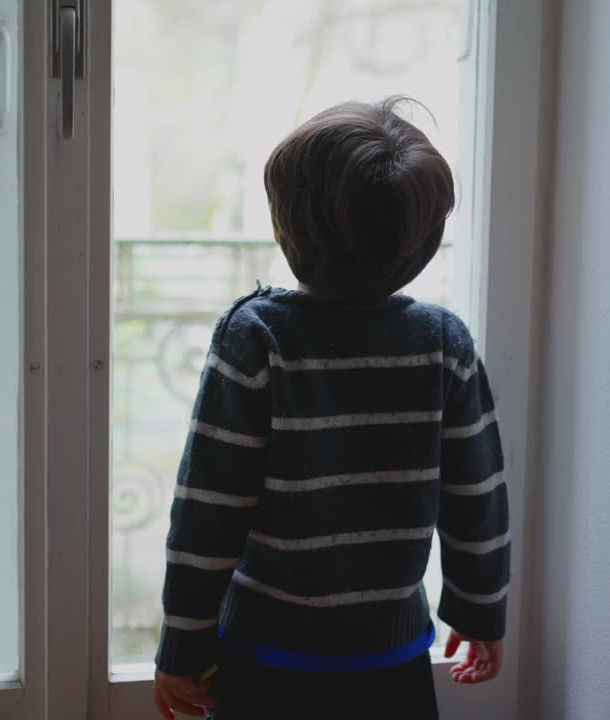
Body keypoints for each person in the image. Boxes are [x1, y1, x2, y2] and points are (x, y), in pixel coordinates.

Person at [152, 97, 510, 720]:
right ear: (419, 241)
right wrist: (479, 612)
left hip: (267, 660)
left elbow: (207, 512)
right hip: (391, 659)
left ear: (287, 228)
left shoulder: (256, 338)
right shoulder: (443, 344)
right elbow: (476, 496)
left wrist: (182, 645)